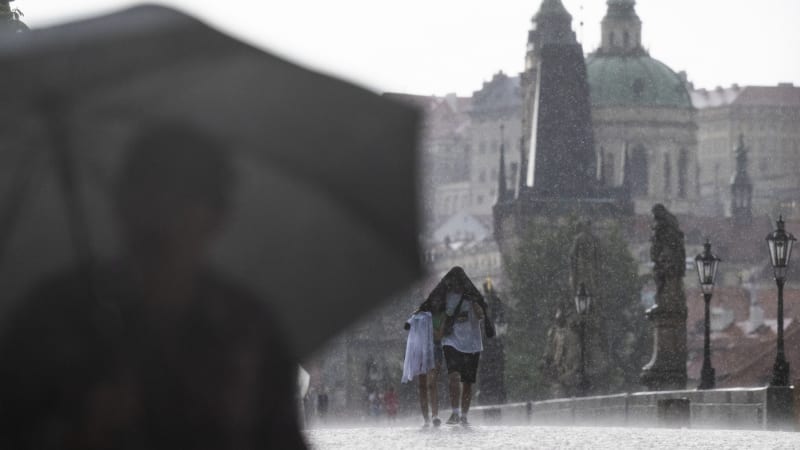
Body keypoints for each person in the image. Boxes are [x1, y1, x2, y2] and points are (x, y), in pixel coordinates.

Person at [0, 124, 306, 449]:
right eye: (146, 191)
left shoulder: (248, 327)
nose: (160, 214)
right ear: (120, 204)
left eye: (182, 198)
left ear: (216, 217)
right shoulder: (52, 316)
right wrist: (79, 435)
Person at [427, 267, 488, 427]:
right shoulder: (445, 297)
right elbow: (439, 312)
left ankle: (464, 415)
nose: (455, 285)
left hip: (472, 344)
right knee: (453, 376)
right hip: (451, 341)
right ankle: (455, 412)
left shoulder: (472, 297)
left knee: (467, 382)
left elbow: (482, 315)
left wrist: (476, 305)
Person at [403, 292, 446, 427]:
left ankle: (435, 415)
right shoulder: (420, 316)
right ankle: (426, 418)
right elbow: (408, 327)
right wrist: (416, 318)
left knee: (431, 383)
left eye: (438, 301)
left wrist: (428, 328)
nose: (436, 304)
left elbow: (439, 336)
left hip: (435, 350)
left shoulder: (442, 316)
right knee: (422, 385)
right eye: (434, 301)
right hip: (421, 351)